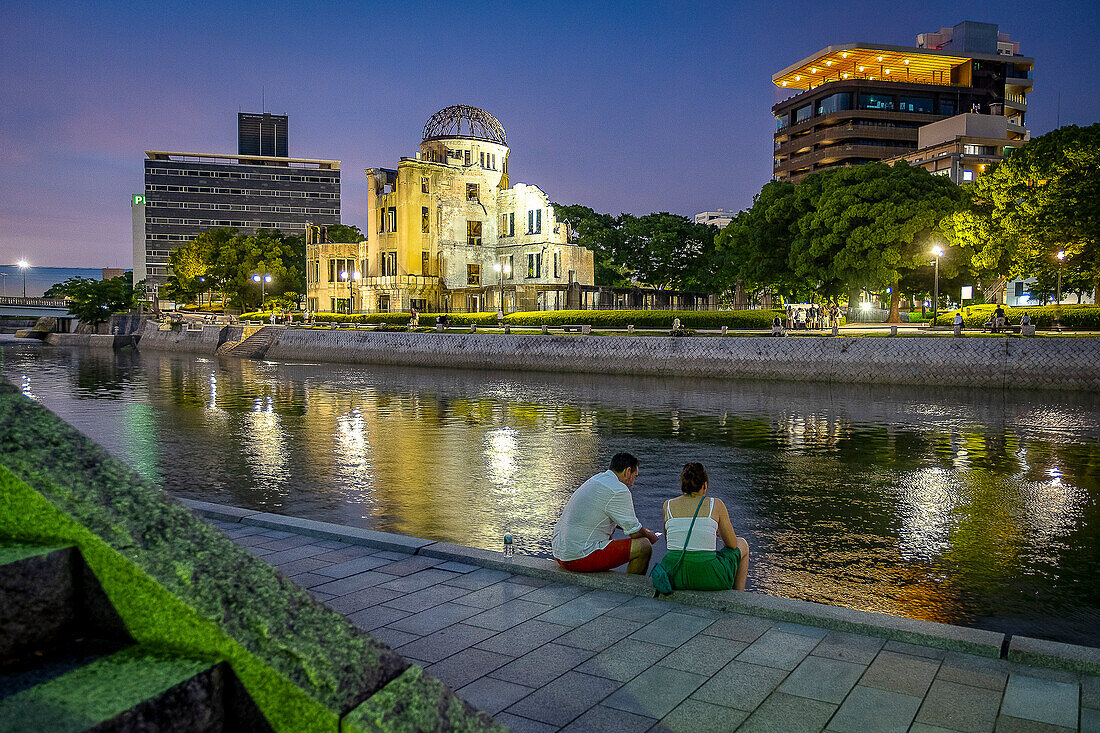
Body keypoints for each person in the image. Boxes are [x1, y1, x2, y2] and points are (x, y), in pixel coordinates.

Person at [552, 453, 661, 574]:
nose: (633, 483)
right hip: (577, 558)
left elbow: (619, 520)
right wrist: (650, 536)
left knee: (610, 532)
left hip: (559, 553)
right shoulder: (619, 489)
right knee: (644, 546)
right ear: (627, 471)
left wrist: (641, 529)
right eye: (634, 476)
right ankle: (632, 588)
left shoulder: (596, 479)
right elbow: (635, 533)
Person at [655, 463, 749, 591]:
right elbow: (732, 545)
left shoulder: (668, 505)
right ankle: (739, 597)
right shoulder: (716, 504)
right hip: (709, 577)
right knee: (742, 543)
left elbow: (669, 540)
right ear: (705, 485)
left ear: (683, 484)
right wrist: (719, 532)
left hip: (673, 576)